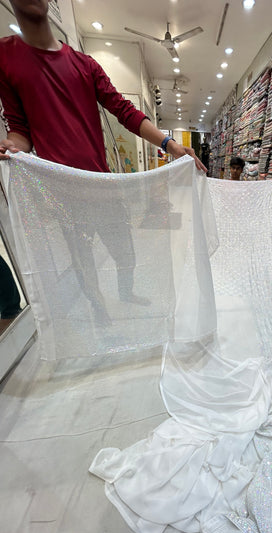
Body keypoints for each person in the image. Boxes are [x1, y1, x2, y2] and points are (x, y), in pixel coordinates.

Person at [0, 0, 206, 323]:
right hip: (62, 192)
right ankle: (100, 314)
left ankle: (126, 292)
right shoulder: (5, 57)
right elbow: (20, 128)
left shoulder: (85, 65)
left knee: (126, 252)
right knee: (83, 262)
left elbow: (124, 111)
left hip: (101, 185)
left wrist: (169, 144)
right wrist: (13, 145)